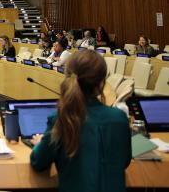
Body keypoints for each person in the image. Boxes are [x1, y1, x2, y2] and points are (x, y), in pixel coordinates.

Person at [30, 50, 131, 192]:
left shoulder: (61, 118)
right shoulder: (119, 118)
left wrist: (39, 143)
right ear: (102, 83)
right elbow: (124, 161)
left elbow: (38, 162)